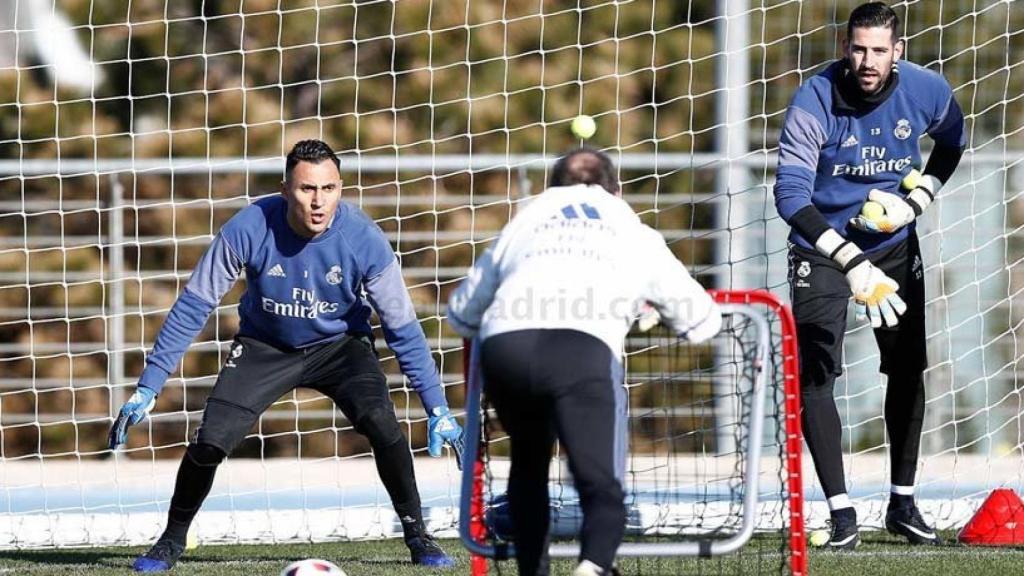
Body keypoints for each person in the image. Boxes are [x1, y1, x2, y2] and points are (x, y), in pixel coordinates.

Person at [108, 139, 464, 572]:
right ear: (284, 190)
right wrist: (149, 386)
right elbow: (195, 303)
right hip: (265, 347)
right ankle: (170, 540)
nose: (319, 202)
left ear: (340, 189)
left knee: (382, 424)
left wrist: (437, 406)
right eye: (307, 189)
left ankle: (417, 534)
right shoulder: (249, 225)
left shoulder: (364, 238)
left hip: (340, 348)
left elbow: (402, 326)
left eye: (329, 189)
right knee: (211, 440)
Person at [447, 148, 723, 576]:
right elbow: (702, 322)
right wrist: (645, 304)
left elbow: (462, 312)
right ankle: (592, 567)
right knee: (599, 486)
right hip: (582, 348)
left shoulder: (527, 219)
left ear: (551, 186)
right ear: (617, 190)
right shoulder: (629, 225)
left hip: (507, 345)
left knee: (528, 467)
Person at [773, 1, 965, 550]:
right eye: (858, 48)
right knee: (815, 375)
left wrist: (919, 198)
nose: (867, 60)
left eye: (879, 50)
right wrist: (850, 262)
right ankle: (840, 513)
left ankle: (903, 504)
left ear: (898, 52)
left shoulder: (927, 89)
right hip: (822, 250)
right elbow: (790, 196)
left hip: (894, 247)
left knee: (907, 370)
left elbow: (953, 140)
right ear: (844, 47)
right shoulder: (814, 99)